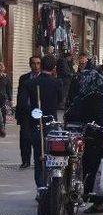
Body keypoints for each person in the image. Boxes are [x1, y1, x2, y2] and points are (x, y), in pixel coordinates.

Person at [65, 60, 103, 214]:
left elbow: (77, 114)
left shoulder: (93, 97)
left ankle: (94, 201)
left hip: (93, 140)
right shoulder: (99, 95)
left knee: (92, 170)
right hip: (91, 138)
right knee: (92, 170)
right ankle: (92, 200)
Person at [28, 54, 62, 188]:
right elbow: (60, 101)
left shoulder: (31, 83)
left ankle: (41, 187)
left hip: (37, 123)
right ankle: (52, 184)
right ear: (53, 67)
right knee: (53, 156)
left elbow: (26, 105)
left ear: (41, 65)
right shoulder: (57, 82)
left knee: (39, 157)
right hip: (51, 122)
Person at [16, 56, 41, 168]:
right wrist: (18, 113)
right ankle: (25, 160)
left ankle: (39, 160)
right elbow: (19, 96)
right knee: (25, 137)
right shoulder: (24, 78)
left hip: (39, 113)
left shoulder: (44, 79)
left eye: (38, 63)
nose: (36, 66)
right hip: (26, 112)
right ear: (30, 64)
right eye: (33, 63)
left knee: (38, 137)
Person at [0, 62, 11, 138]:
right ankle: (2, 128)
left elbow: (8, 88)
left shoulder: (6, 77)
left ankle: (2, 128)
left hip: (3, 98)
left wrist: (10, 99)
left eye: (2, 66)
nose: (1, 67)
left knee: (3, 114)